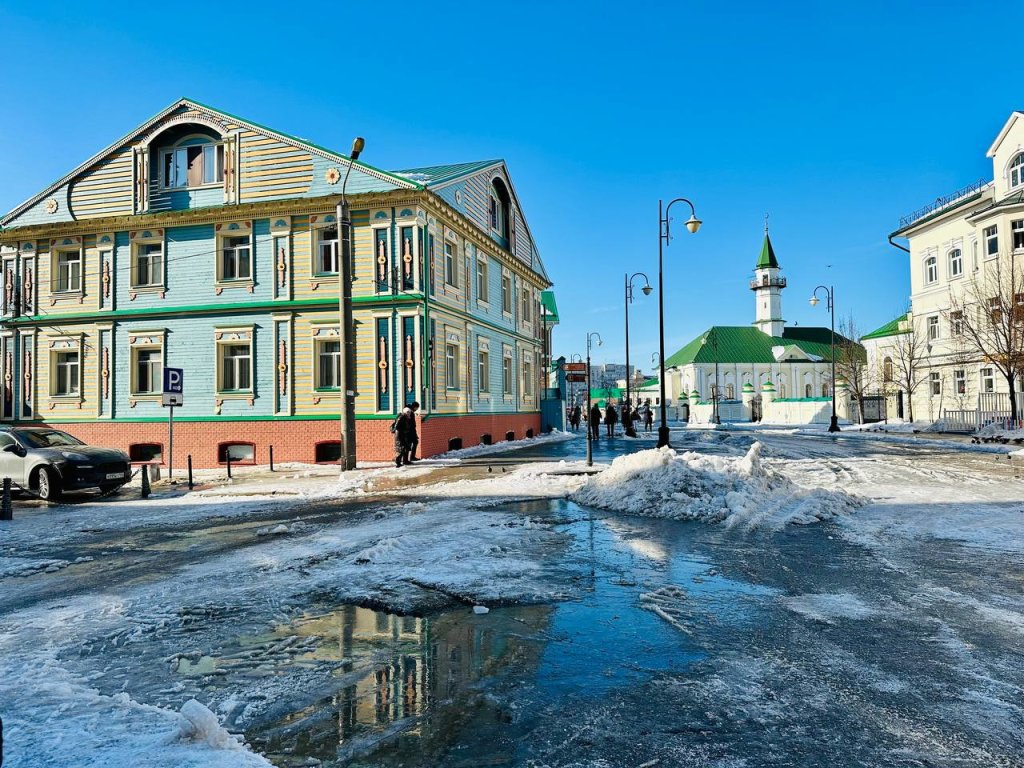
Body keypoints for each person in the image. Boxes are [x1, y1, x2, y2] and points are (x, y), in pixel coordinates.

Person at [393, 401, 420, 467]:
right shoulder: (405, 415)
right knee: (405, 447)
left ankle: (403, 460)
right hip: (405, 433)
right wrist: (406, 432)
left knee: (406, 446)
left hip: (406, 433)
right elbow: (399, 426)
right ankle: (401, 460)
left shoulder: (406, 414)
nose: (409, 415)